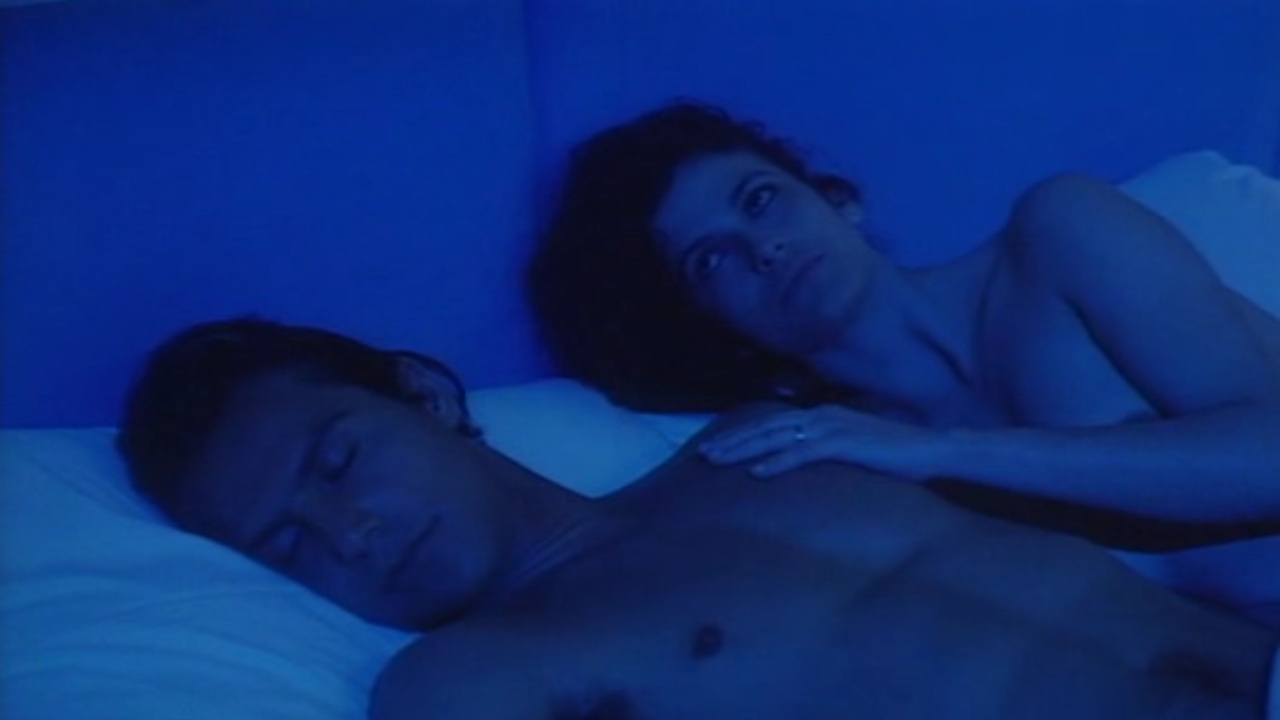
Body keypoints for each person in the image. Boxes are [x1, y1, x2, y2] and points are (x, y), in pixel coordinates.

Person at [117, 317, 1277, 718]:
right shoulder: (466, 675)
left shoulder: (766, 438)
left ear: (423, 396)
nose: (348, 534)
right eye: (286, 541)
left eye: (337, 461)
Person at [527, 100, 1280, 544]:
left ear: (839, 199)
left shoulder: (1058, 235)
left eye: (760, 200)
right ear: (712, 324)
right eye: (710, 260)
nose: (764, 248)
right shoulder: (849, 470)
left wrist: (949, 453)